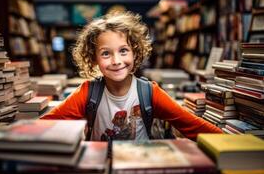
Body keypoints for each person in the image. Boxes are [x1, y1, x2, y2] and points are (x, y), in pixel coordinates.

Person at [41, 12, 222, 141]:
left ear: (135, 53)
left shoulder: (149, 92)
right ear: (94, 59)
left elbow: (191, 125)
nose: (116, 60)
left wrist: (238, 144)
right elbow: (44, 126)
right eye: (105, 54)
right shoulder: (87, 92)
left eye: (123, 51)